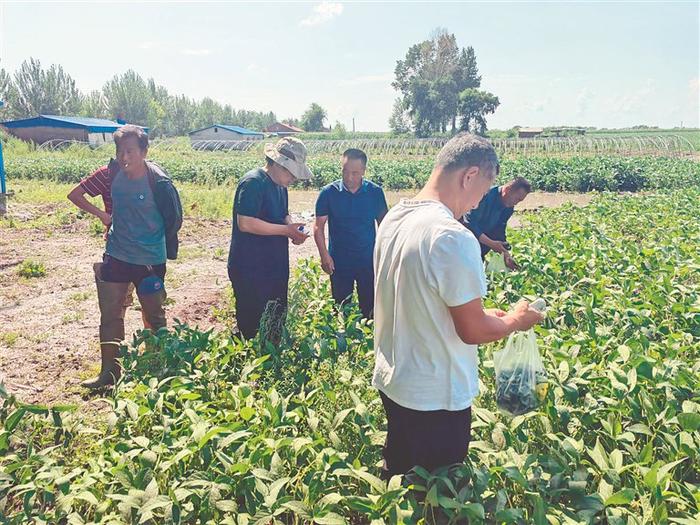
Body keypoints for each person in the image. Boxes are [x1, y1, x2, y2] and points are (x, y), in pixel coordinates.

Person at [372, 133, 544, 478]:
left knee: (401, 481)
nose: (478, 204)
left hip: (396, 382)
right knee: (440, 497)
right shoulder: (451, 234)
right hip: (435, 396)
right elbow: (472, 330)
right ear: (469, 176)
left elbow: (421, 299)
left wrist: (486, 315)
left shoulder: (395, 218)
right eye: (481, 192)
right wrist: (515, 320)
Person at [67, 125, 182, 388]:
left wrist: (152, 241)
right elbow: (75, 194)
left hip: (150, 261)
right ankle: (109, 373)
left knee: (154, 316)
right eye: (120, 151)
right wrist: (102, 216)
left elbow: (174, 220)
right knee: (110, 314)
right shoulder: (111, 174)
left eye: (130, 151)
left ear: (144, 151)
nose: (124, 157)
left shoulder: (159, 181)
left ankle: (156, 370)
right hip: (116, 255)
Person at [227, 137, 312, 340]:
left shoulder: (281, 186)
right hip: (250, 267)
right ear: (277, 164)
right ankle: (245, 361)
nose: (293, 179)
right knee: (251, 324)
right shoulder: (253, 183)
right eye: (292, 173)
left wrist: (293, 228)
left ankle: (271, 361)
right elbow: (245, 222)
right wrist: (286, 231)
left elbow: (284, 214)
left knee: (275, 319)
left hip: (274, 265)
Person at [313, 148, 388, 318]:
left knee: (369, 308)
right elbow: (318, 227)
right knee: (340, 308)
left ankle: (367, 342)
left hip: (367, 259)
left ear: (363, 171)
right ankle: (342, 341)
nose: (349, 177)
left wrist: (383, 256)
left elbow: (384, 225)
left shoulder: (375, 193)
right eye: (345, 171)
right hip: (339, 260)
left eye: (355, 173)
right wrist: (324, 256)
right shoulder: (328, 193)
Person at [461, 176, 531, 270]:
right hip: (463, 244)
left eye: (519, 201)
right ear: (507, 189)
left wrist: (505, 253)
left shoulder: (508, 208)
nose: (516, 203)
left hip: (480, 249)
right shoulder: (484, 195)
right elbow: (469, 223)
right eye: (517, 199)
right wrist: (491, 243)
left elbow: (499, 230)